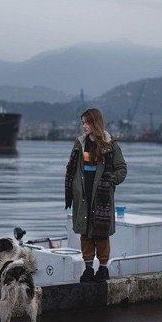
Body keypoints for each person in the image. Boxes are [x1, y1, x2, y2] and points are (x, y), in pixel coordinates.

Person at [65, 108, 127, 283]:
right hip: (83, 196)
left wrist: (109, 181)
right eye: (83, 123)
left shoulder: (110, 145)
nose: (84, 126)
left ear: (96, 123)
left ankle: (103, 268)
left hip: (101, 196)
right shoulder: (79, 144)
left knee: (101, 234)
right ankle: (88, 269)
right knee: (85, 234)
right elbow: (71, 167)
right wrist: (75, 187)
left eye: (88, 122)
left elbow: (122, 169)